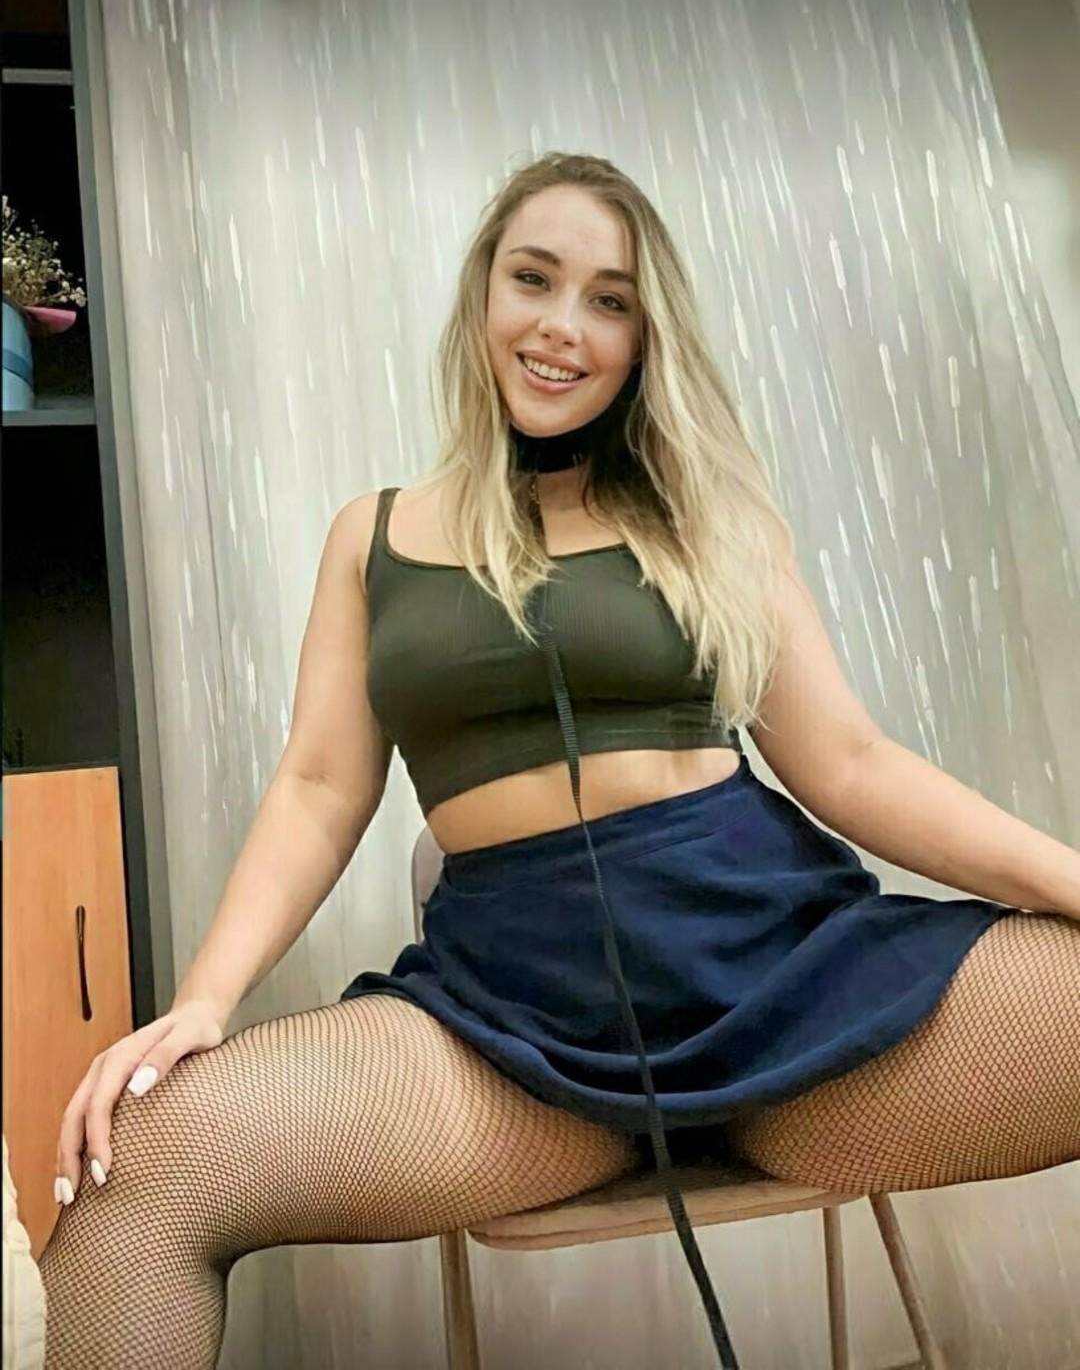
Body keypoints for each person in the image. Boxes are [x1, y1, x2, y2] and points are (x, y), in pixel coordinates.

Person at [40, 151, 1080, 1369]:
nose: (562, 325)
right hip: (508, 1041)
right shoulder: (373, 536)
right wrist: (203, 1003)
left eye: (609, 299)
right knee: (140, 1159)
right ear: (484, 293)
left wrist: (1069, 878)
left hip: (791, 996)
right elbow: (319, 787)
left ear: (644, 340)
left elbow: (848, 762)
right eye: (533, 278)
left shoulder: (716, 520)